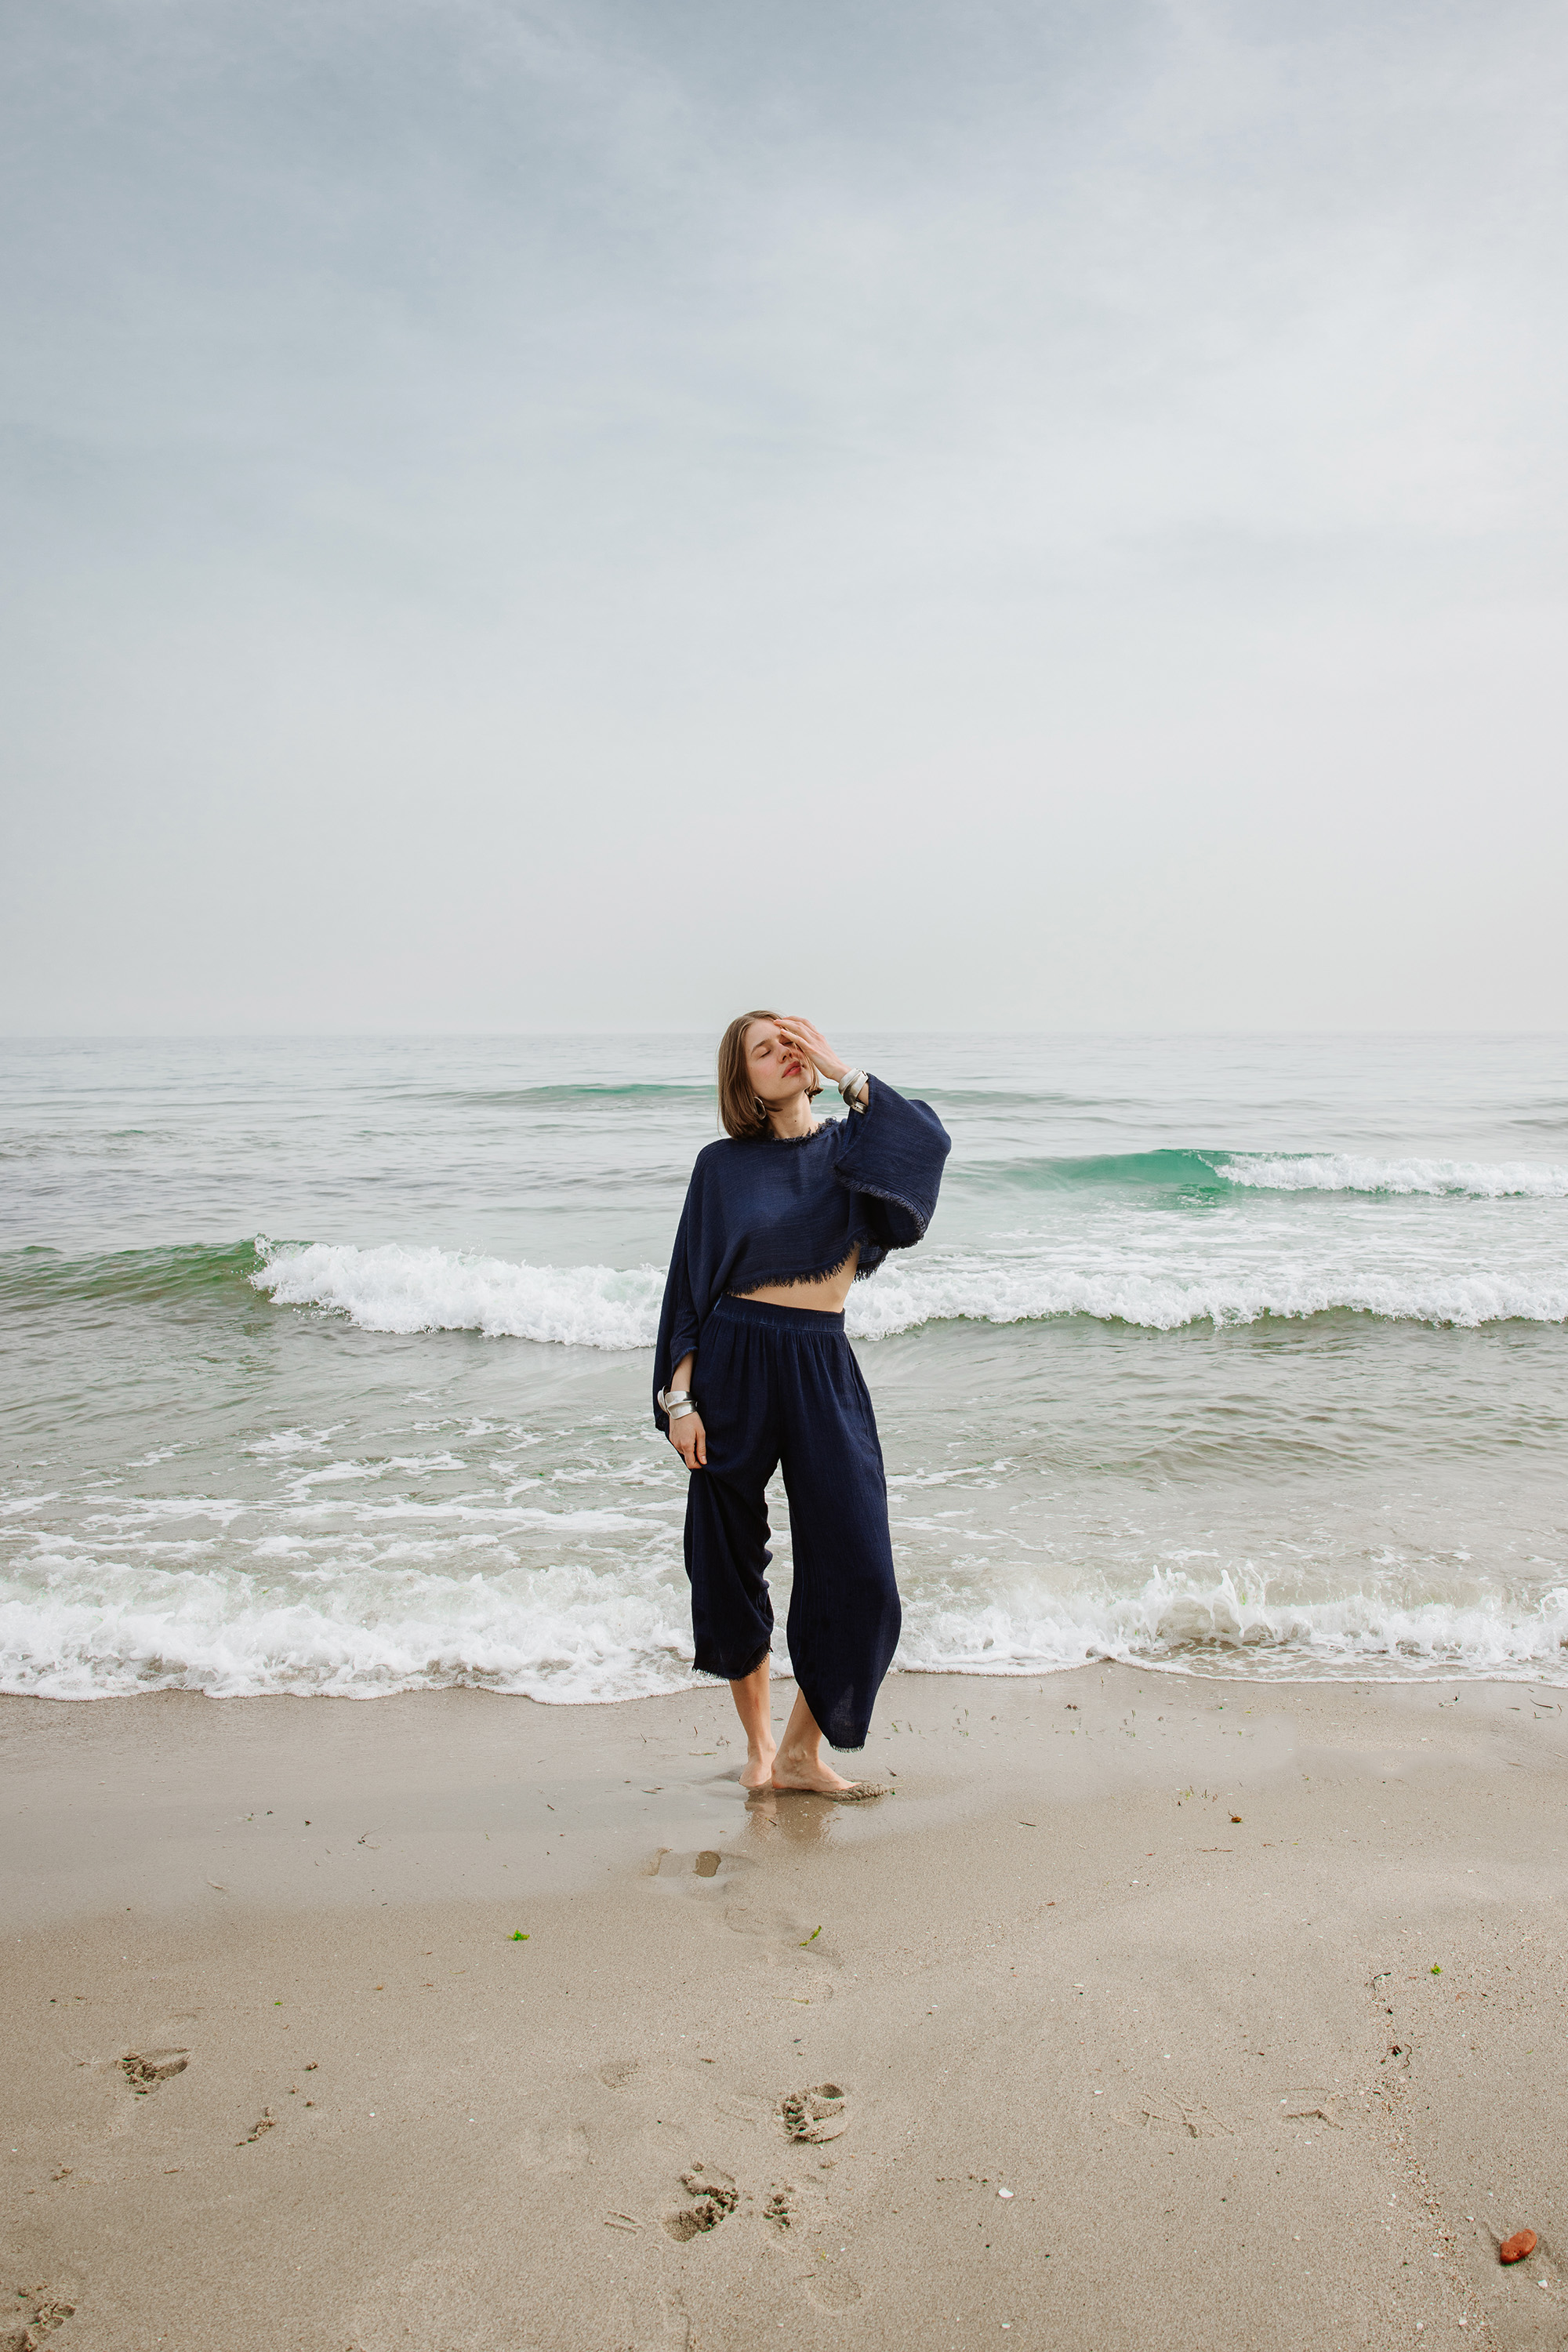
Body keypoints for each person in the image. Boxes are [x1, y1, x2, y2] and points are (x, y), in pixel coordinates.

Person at [652, 1012, 950, 1796]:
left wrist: (843, 1068)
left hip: (821, 1361)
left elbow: (925, 1144)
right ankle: (759, 1753)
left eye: (792, 1042)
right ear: (741, 1078)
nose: (782, 1055)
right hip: (730, 1360)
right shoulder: (719, 1168)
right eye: (763, 1049)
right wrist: (678, 1399)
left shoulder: (851, 1148)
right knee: (722, 1559)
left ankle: (798, 1751)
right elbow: (688, 1286)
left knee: (858, 1568)